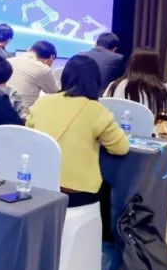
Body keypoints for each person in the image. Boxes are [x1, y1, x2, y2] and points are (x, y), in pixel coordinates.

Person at [28, 56, 129, 216]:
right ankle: (100, 231)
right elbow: (121, 148)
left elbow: (29, 135)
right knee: (110, 189)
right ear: (95, 82)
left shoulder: (42, 102)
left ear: (65, 78)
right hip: (77, 191)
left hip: (39, 184)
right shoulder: (96, 110)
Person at [107, 48, 167, 120]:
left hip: (115, 133)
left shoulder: (113, 85)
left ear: (131, 65)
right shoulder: (159, 89)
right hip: (147, 134)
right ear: (155, 67)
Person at [7, 40, 60, 114]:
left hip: (3, 111)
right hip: (23, 115)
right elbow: (57, 94)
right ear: (50, 58)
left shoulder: (8, 61)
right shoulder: (43, 69)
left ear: (29, 49)